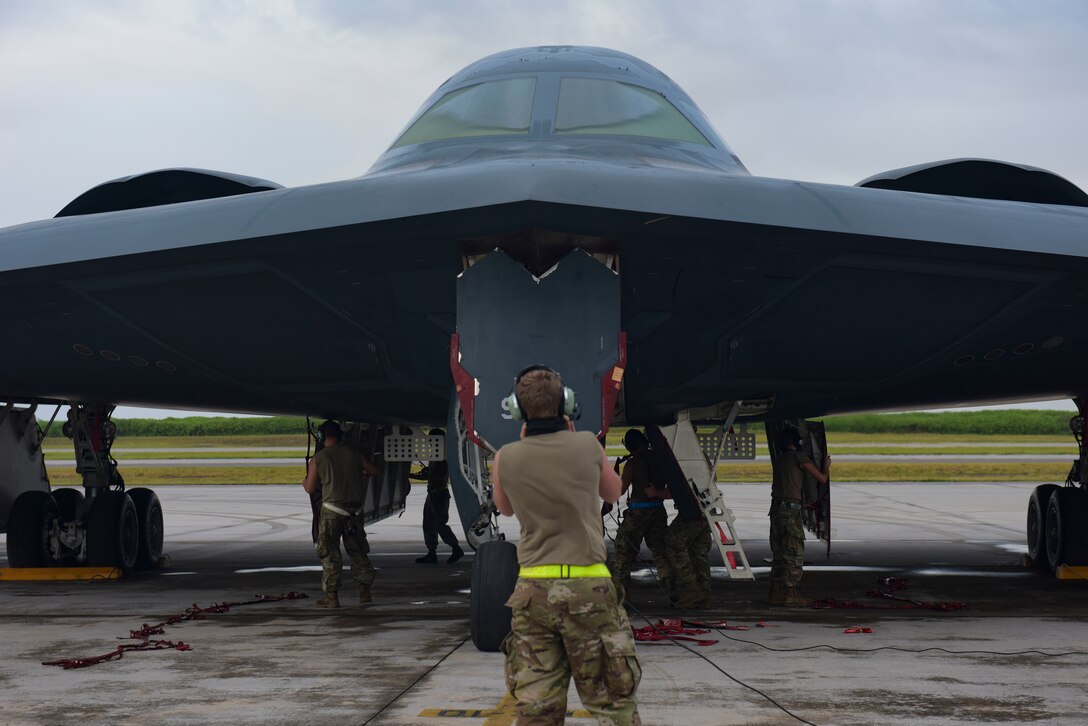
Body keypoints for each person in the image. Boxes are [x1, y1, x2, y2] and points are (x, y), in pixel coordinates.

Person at [492, 365, 642, 725]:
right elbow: (614, 492)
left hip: (533, 593)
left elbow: (505, 508)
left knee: (537, 707)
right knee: (610, 701)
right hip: (588, 588)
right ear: (566, 405)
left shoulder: (506, 457)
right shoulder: (587, 444)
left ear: (517, 409)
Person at [302, 420, 381, 608]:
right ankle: (364, 591)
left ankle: (332, 598)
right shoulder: (354, 454)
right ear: (340, 436)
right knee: (358, 551)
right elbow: (374, 471)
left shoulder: (319, 458)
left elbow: (311, 488)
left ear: (321, 437)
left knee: (329, 553)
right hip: (354, 512)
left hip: (332, 512)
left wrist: (304, 481)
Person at [768, 427, 830, 607]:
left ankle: (775, 592)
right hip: (790, 511)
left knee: (779, 552)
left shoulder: (780, 460)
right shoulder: (799, 457)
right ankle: (790, 593)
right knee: (794, 552)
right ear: (797, 443)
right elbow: (821, 479)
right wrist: (825, 467)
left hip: (776, 509)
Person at [610, 429, 672, 598]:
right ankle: (672, 587)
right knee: (659, 550)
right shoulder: (659, 459)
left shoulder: (632, 464)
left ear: (629, 446)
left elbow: (620, 491)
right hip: (658, 509)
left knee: (623, 551)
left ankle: (620, 595)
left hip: (638, 513)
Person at [410, 428, 464, 564]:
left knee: (440, 525)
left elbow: (437, 474)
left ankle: (456, 548)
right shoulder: (436, 454)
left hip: (439, 494)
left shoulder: (443, 455)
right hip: (433, 493)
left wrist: (413, 475)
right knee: (428, 524)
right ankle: (431, 552)